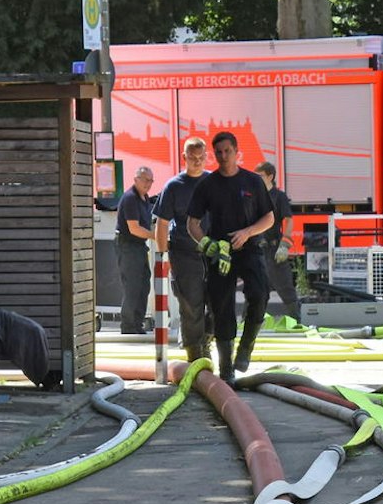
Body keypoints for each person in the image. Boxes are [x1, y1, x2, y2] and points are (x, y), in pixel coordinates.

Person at [187, 130, 275, 384]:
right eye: (219, 152)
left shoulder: (252, 182)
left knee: (259, 295)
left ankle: (246, 347)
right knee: (221, 307)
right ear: (214, 155)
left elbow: (268, 218)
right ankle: (227, 368)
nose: (223, 156)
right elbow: (192, 223)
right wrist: (207, 243)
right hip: (220, 252)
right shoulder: (208, 184)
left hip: (249, 248)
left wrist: (247, 233)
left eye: (228, 151)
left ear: (237, 152)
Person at [153, 138, 211, 363]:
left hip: (212, 251)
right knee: (191, 304)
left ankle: (207, 338)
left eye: (201, 157)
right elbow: (163, 223)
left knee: (218, 302)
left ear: (206, 157)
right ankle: (194, 353)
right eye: (192, 158)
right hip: (183, 252)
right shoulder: (174, 186)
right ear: (184, 157)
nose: (197, 162)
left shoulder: (213, 183)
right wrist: (162, 256)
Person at [255, 160, 303, 327]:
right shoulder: (254, 196)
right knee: (255, 288)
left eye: (260, 176)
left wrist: (285, 244)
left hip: (274, 248)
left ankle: (297, 322)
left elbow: (288, 220)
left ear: (270, 176)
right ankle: (249, 324)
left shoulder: (279, 197)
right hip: (257, 249)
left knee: (285, 287)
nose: (257, 179)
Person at [114, 166, 157, 335]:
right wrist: (156, 236)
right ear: (136, 179)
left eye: (151, 181)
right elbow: (134, 228)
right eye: (145, 180)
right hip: (128, 245)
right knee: (132, 286)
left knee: (143, 285)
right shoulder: (131, 198)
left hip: (138, 246)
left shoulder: (144, 197)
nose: (149, 184)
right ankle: (128, 326)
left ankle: (137, 324)